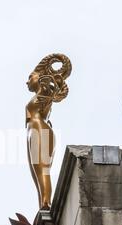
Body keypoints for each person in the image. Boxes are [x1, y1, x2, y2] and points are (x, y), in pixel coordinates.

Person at [26, 54, 72, 210]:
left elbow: (50, 92)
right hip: (34, 129)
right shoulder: (42, 93)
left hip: (39, 128)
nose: (27, 81)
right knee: (36, 173)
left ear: (40, 79)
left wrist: (52, 81)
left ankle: (46, 203)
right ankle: (43, 205)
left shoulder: (45, 91)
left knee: (41, 171)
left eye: (30, 77)